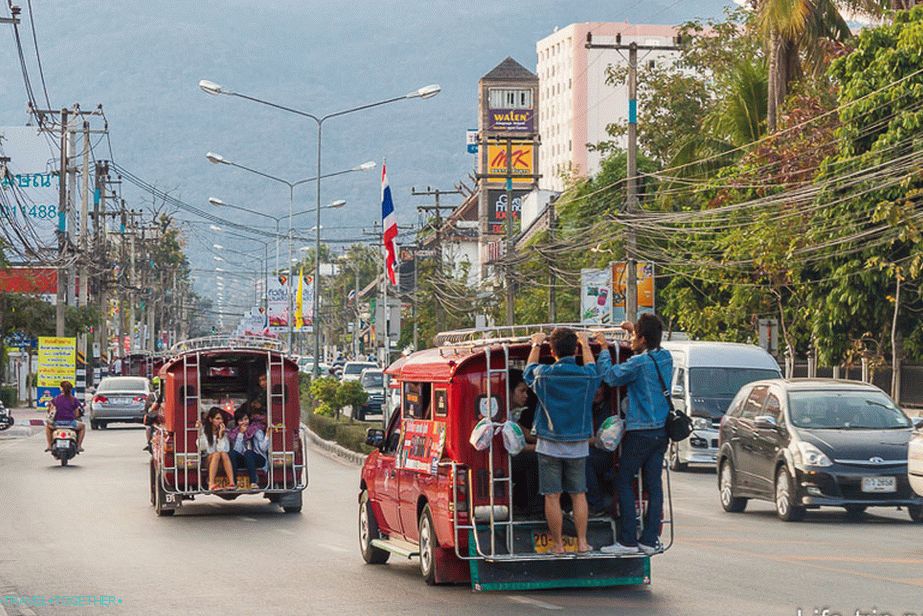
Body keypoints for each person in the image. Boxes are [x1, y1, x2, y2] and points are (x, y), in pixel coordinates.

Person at [594, 314, 672, 556]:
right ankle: (649, 538)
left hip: (640, 433)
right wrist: (631, 331)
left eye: (635, 337)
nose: (632, 340)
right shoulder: (665, 357)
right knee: (653, 484)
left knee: (623, 480)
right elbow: (646, 346)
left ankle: (627, 540)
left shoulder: (638, 364)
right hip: (662, 431)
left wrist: (605, 348)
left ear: (643, 339)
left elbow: (610, 376)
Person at [524, 327, 600, 554]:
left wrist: (536, 344)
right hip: (578, 446)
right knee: (579, 493)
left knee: (552, 495)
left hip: (549, 444)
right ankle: (583, 542)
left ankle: (558, 544)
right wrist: (585, 343)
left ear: (552, 350)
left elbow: (528, 371)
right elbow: (593, 370)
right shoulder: (587, 377)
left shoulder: (544, 375)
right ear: (575, 349)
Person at [586, 384, 615, 516]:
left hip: (607, 454)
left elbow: (602, 440)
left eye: (599, 387)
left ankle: (595, 504)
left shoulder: (609, 410)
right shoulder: (587, 408)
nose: (595, 391)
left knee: (585, 460)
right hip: (589, 448)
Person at [227, 408, 271, 487]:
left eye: (246, 419)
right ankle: (233, 482)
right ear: (237, 422)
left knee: (248, 453)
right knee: (232, 453)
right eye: (241, 420)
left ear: (249, 420)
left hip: (258, 459)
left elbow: (263, 448)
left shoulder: (256, 430)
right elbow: (237, 450)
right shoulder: (234, 433)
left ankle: (253, 482)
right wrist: (241, 434)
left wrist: (267, 436)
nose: (244, 422)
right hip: (243, 460)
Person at [197, 407, 235, 491]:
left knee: (223, 454)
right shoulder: (204, 431)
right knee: (216, 454)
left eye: (221, 419)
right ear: (211, 419)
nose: (220, 421)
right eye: (217, 418)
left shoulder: (224, 432)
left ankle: (232, 482)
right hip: (207, 460)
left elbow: (225, 450)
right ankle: (211, 483)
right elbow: (205, 448)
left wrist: (221, 436)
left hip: (221, 461)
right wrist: (200, 432)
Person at [44, 381, 86, 453]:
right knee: (83, 426)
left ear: (62, 389)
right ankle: (79, 446)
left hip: (57, 423)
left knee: (48, 426)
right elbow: (76, 414)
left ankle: (49, 445)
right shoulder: (74, 400)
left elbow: (50, 410)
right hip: (71, 423)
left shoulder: (56, 399)